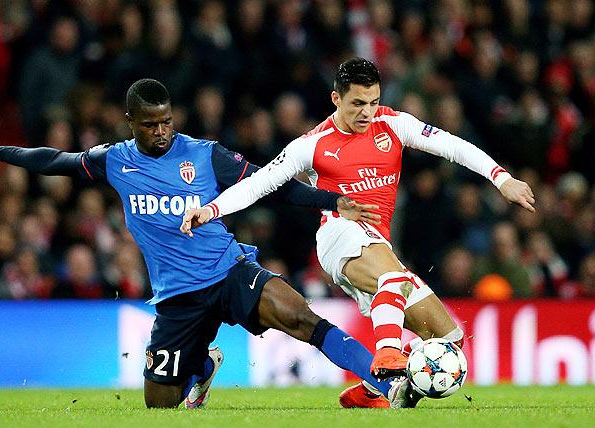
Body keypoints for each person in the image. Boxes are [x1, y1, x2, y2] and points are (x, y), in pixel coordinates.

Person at [0, 78, 403, 409]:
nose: (161, 131)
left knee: (299, 316)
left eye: (166, 121)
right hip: (177, 297)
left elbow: (272, 184)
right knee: (159, 406)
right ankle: (201, 364)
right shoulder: (115, 160)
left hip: (228, 270)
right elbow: (54, 161)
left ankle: (387, 381)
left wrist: (332, 202)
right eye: (150, 124)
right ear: (131, 122)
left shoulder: (204, 154)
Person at [182, 57, 536, 408]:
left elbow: (453, 146)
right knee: (394, 278)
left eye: (373, 102)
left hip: (379, 243)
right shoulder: (314, 143)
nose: (367, 112)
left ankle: (373, 391)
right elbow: (260, 183)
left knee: (448, 342)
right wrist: (211, 210)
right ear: (336, 99)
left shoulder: (394, 124)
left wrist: (501, 179)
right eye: (357, 104)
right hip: (340, 234)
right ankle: (386, 355)